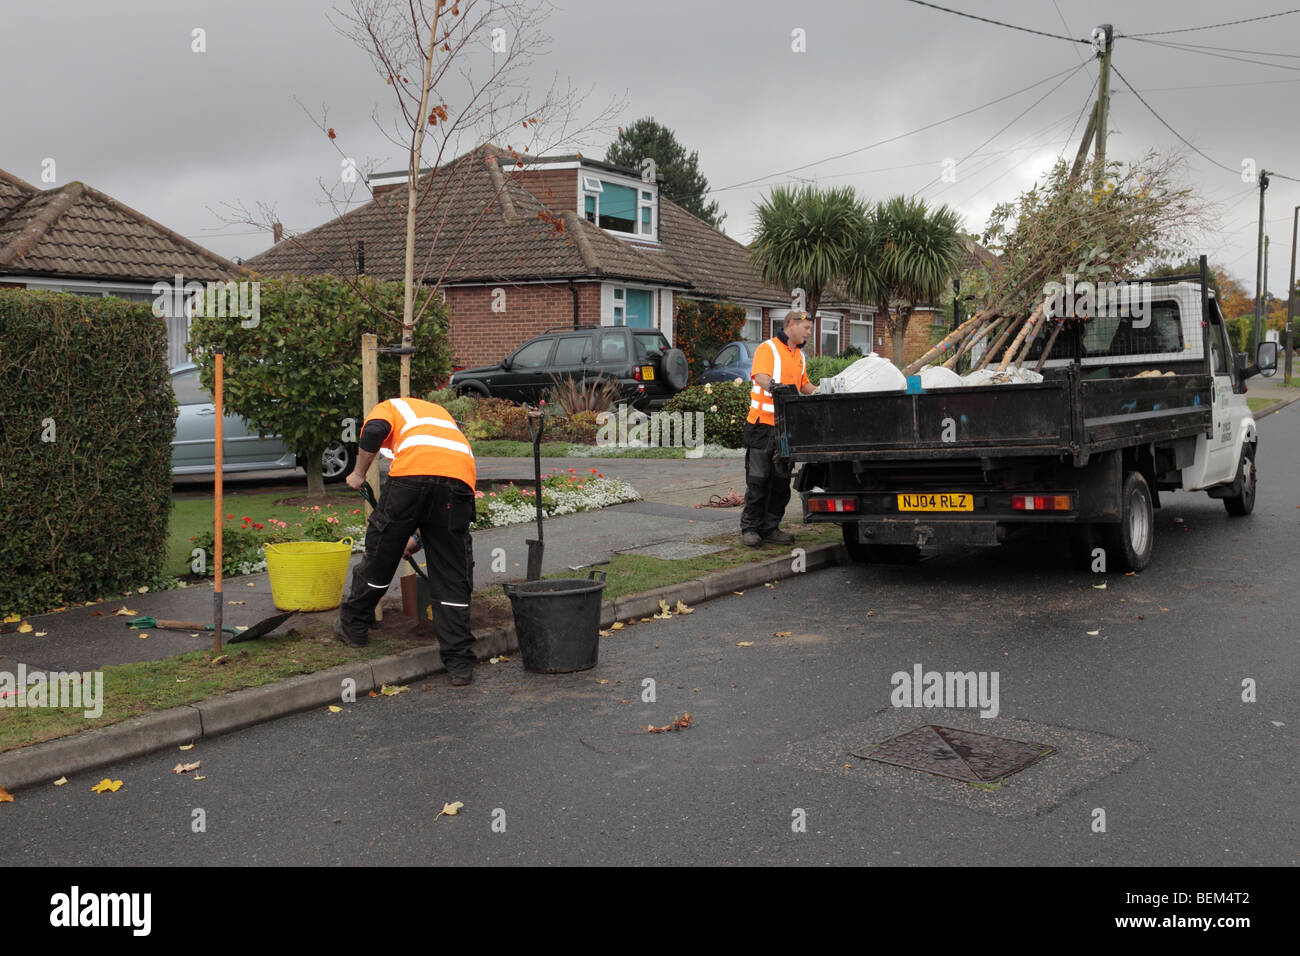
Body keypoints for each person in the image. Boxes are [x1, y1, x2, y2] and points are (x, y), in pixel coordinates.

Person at [335, 396, 478, 687]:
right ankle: (459, 663)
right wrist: (414, 539)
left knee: (380, 558)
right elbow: (437, 491)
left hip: (410, 480)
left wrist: (359, 473)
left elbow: (373, 431)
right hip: (459, 481)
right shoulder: (437, 416)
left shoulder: (388, 406)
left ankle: (353, 628)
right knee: (451, 573)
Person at [741, 310, 817, 547]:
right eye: (806, 328)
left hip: (785, 430)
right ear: (791, 325)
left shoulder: (800, 356)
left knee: (781, 483)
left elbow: (804, 385)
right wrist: (775, 387)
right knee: (758, 481)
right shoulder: (768, 349)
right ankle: (750, 529)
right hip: (762, 426)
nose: (808, 333)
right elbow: (760, 376)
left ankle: (770, 528)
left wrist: (825, 391)